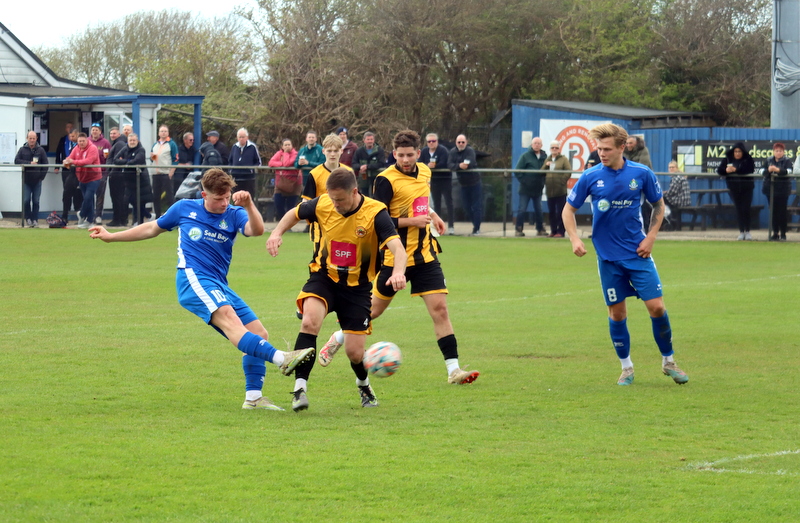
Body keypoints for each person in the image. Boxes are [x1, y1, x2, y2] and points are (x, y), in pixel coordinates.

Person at [89, 168, 314, 411]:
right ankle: (283, 358)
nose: (223, 202)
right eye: (218, 198)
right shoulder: (184, 208)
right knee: (230, 320)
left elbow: (256, 230)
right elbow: (151, 228)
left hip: (218, 284)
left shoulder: (234, 212)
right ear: (203, 194)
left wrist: (248, 205)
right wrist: (111, 237)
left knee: (258, 333)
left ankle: (253, 398)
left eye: (227, 197)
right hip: (192, 279)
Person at [319, 130, 481, 386]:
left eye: (410, 155)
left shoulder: (425, 172)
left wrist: (432, 214)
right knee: (371, 311)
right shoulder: (385, 180)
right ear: (394, 154)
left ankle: (454, 370)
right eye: (401, 155)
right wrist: (411, 221)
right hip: (394, 260)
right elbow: (375, 218)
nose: (406, 159)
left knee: (440, 309)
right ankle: (339, 337)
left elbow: (418, 201)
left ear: (418, 153)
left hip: (426, 256)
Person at [266, 168, 408, 411]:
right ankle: (299, 389)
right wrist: (277, 232)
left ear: (354, 192)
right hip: (324, 278)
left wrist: (398, 272)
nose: (336, 204)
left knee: (354, 353)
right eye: (332, 199)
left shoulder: (375, 213)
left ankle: (363, 384)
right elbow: (295, 212)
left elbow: (398, 249)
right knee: (310, 322)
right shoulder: (323, 203)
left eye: (340, 200)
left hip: (357, 289)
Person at [562, 123, 689, 387]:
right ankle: (627, 368)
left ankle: (669, 362)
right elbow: (568, 210)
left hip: (638, 253)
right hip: (608, 258)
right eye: (598, 149)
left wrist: (651, 237)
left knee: (657, 307)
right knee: (617, 314)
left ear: (622, 147)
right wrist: (574, 237)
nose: (601, 154)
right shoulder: (590, 176)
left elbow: (658, 204)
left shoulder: (641, 173)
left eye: (607, 149)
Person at [715, 142, 755, 240]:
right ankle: (741, 232)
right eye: (735, 151)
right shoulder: (727, 159)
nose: (737, 153)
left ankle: (748, 231)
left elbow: (750, 169)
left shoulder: (748, 159)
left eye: (739, 151)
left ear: (743, 152)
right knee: (739, 210)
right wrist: (726, 170)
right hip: (734, 188)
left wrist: (736, 169)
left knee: (746, 209)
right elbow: (719, 170)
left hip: (747, 188)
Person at [63, 132, 102, 229]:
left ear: (87, 140)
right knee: (89, 201)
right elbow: (70, 158)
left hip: (94, 177)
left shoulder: (92, 148)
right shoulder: (76, 148)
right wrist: (66, 161)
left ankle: (81, 213)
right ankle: (89, 221)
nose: (81, 143)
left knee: (88, 198)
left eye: (83, 141)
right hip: (82, 178)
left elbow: (88, 161)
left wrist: (73, 162)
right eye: (79, 141)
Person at [114, 133, 153, 225]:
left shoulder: (141, 149)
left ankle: (138, 222)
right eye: (130, 140)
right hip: (129, 181)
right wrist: (127, 161)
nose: (132, 142)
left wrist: (125, 161)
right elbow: (115, 160)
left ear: (137, 141)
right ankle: (149, 216)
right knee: (129, 200)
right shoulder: (125, 148)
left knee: (139, 201)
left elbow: (137, 161)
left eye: (134, 140)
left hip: (141, 180)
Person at [301, 134, 354, 201]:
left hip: (344, 211)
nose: (332, 154)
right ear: (323, 151)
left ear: (341, 151)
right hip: (322, 210)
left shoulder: (348, 172)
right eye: (329, 151)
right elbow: (306, 201)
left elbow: (354, 197)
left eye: (336, 151)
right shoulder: (314, 174)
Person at [514, 136, 548, 237]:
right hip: (525, 189)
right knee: (522, 209)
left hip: (538, 188)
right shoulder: (525, 156)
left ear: (541, 145)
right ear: (531, 145)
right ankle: (518, 229)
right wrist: (525, 181)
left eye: (538, 143)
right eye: (535, 143)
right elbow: (517, 171)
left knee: (539, 210)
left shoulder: (544, 157)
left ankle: (540, 229)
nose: (537, 145)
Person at [420, 133, 453, 234]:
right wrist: (427, 165)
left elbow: (445, 163)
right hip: (433, 181)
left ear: (437, 141)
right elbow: (420, 163)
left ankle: (451, 227)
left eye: (433, 141)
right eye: (429, 141)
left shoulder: (443, 150)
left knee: (449, 203)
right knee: (436, 204)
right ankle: (437, 226)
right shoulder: (424, 151)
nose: (431, 143)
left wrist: (435, 166)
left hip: (444, 180)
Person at [14, 131, 48, 227]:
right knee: (26, 200)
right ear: (27, 138)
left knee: (36, 201)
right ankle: (28, 218)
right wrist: (29, 163)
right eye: (30, 138)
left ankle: (35, 220)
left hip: (37, 181)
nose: (32, 140)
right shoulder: (22, 149)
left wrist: (41, 177)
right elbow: (16, 160)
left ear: (36, 138)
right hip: (26, 181)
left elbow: (46, 165)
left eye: (33, 138)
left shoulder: (40, 150)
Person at [448, 134, 481, 235]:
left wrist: (460, 166)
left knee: (476, 207)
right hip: (463, 184)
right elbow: (449, 165)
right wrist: (459, 165)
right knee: (466, 207)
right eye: (459, 142)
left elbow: (469, 164)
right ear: (456, 142)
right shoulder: (453, 152)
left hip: (475, 182)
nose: (461, 144)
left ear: (466, 142)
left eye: (463, 142)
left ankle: (476, 228)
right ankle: (474, 224)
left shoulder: (470, 151)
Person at [763, 142, 793, 241]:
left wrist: (778, 170)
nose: (778, 153)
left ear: (783, 152)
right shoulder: (768, 160)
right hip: (770, 189)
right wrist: (769, 170)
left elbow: (789, 171)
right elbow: (761, 171)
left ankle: (783, 234)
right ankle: (775, 233)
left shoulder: (787, 160)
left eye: (780, 151)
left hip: (783, 190)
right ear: (773, 151)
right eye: (776, 151)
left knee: (782, 212)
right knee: (773, 212)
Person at [150, 125, 179, 218]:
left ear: (168, 133)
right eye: (162, 131)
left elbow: (176, 159)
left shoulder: (172, 144)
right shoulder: (155, 144)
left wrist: (171, 172)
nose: (163, 133)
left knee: (169, 197)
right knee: (156, 196)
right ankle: (158, 216)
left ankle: (172, 217)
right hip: (156, 173)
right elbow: (153, 158)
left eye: (165, 131)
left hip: (166, 173)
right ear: (158, 133)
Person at [268, 138, 301, 219]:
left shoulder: (296, 154)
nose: (287, 146)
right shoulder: (278, 153)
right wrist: (281, 163)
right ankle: (282, 222)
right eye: (285, 145)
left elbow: (287, 163)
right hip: (280, 183)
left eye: (289, 145)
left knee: (291, 207)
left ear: (292, 146)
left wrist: (285, 154)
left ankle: (289, 224)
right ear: (282, 146)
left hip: (293, 183)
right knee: (278, 204)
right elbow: (271, 163)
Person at [544, 140, 571, 238]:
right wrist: (546, 165)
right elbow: (541, 171)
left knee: (560, 212)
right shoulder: (548, 159)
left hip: (560, 191)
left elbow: (568, 171)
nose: (554, 149)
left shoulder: (564, 159)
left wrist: (561, 182)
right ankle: (553, 231)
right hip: (549, 190)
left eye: (556, 148)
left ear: (559, 149)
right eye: (552, 148)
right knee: (551, 212)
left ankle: (561, 231)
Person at [228, 127, 261, 201]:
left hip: (248, 178)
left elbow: (258, 162)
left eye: (243, 137)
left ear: (247, 137)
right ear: (237, 138)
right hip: (236, 178)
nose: (241, 139)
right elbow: (230, 161)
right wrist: (231, 170)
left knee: (248, 199)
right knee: (236, 199)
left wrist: (251, 169)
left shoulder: (252, 147)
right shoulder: (234, 147)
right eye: (240, 137)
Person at [107, 127, 131, 226]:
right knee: (118, 198)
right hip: (117, 174)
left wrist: (112, 171)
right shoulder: (117, 143)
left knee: (117, 198)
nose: (112, 135)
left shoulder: (119, 143)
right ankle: (120, 219)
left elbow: (117, 160)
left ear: (119, 134)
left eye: (114, 133)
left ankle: (118, 220)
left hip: (117, 175)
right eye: (111, 133)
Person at [89, 124, 112, 224]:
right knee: (88, 195)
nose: (94, 132)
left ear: (100, 132)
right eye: (93, 130)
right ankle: (89, 215)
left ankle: (98, 215)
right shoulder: (87, 141)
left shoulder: (105, 143)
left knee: (100, 195)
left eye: (96, 130)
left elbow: (108, 157)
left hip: (102, 172)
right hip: (89, 172)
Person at [59, 129, 83, 225]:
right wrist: (66, 161)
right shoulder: (73, 147)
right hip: (69, 172)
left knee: (78, 196)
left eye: (73, 136)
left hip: (80, 174)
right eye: (70, 136)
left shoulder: (81, 147)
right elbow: (68, 158)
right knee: (66, 194)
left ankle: (80, 218)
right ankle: (65, 216)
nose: (71, 138)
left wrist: (72, 162)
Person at [352, 131, 386, 197]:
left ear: (374, 140)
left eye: (371, 139)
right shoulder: (359, 151)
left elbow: (382, 163)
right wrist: (360, 167)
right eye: (368, 139)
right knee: (364, 195)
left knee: (377, 195)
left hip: (376, 177)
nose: (370, 141)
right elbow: (354, 164)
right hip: (363, 178)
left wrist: (368, 166)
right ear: (364, 140)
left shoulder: (379, 150)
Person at [662, 160, 691, 229]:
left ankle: (666, 221)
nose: (671, 169)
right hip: (684, 200)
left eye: (673, 167)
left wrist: (663, 193)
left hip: (680, 201)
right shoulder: (680, 176)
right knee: (663, 198)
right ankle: (669, 220)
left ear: (677, 168)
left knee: (659, 200)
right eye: (670, 167)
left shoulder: (676, 177)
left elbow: (672, 192)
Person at [174, 132, 197, 198]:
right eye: (190, 140)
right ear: (185, 140)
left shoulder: (194, 150)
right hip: (179, 175)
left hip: (190, 175)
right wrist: (184, 165)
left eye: (193, 140)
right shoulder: (178, 150)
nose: (192, 141)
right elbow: (174, 162)